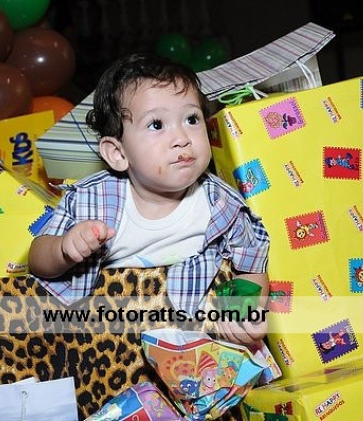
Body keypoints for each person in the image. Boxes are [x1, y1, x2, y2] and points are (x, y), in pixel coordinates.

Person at [29, 52, 270, 346]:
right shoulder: (91, 201)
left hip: (189, 343)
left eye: (192, 119)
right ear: (118, 154)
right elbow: (37, 260)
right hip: (106, 339)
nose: (182, 138)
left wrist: (244, 311)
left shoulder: (222, 205)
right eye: (157, 124)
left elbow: (252, 262)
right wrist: (63, 249)